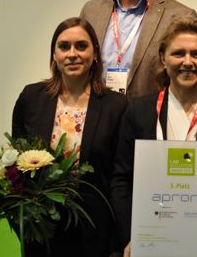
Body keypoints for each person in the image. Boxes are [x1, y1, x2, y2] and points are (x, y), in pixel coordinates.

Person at [110, 18, 197, 257]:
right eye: (178, 53)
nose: (187, 62)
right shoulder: (138, 111)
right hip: (151, 238)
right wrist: (131, 236)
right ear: (163, 58)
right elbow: (121, 180)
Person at [11, 17, 127, 257]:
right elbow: (15, 160)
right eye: (64, 47)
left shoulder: (116, 105)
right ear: (54, 55)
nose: (72, 54)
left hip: (94, 226)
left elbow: (119, 175)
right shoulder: (31, 97)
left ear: (95, 53)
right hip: (43, 225)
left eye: (81, 46)